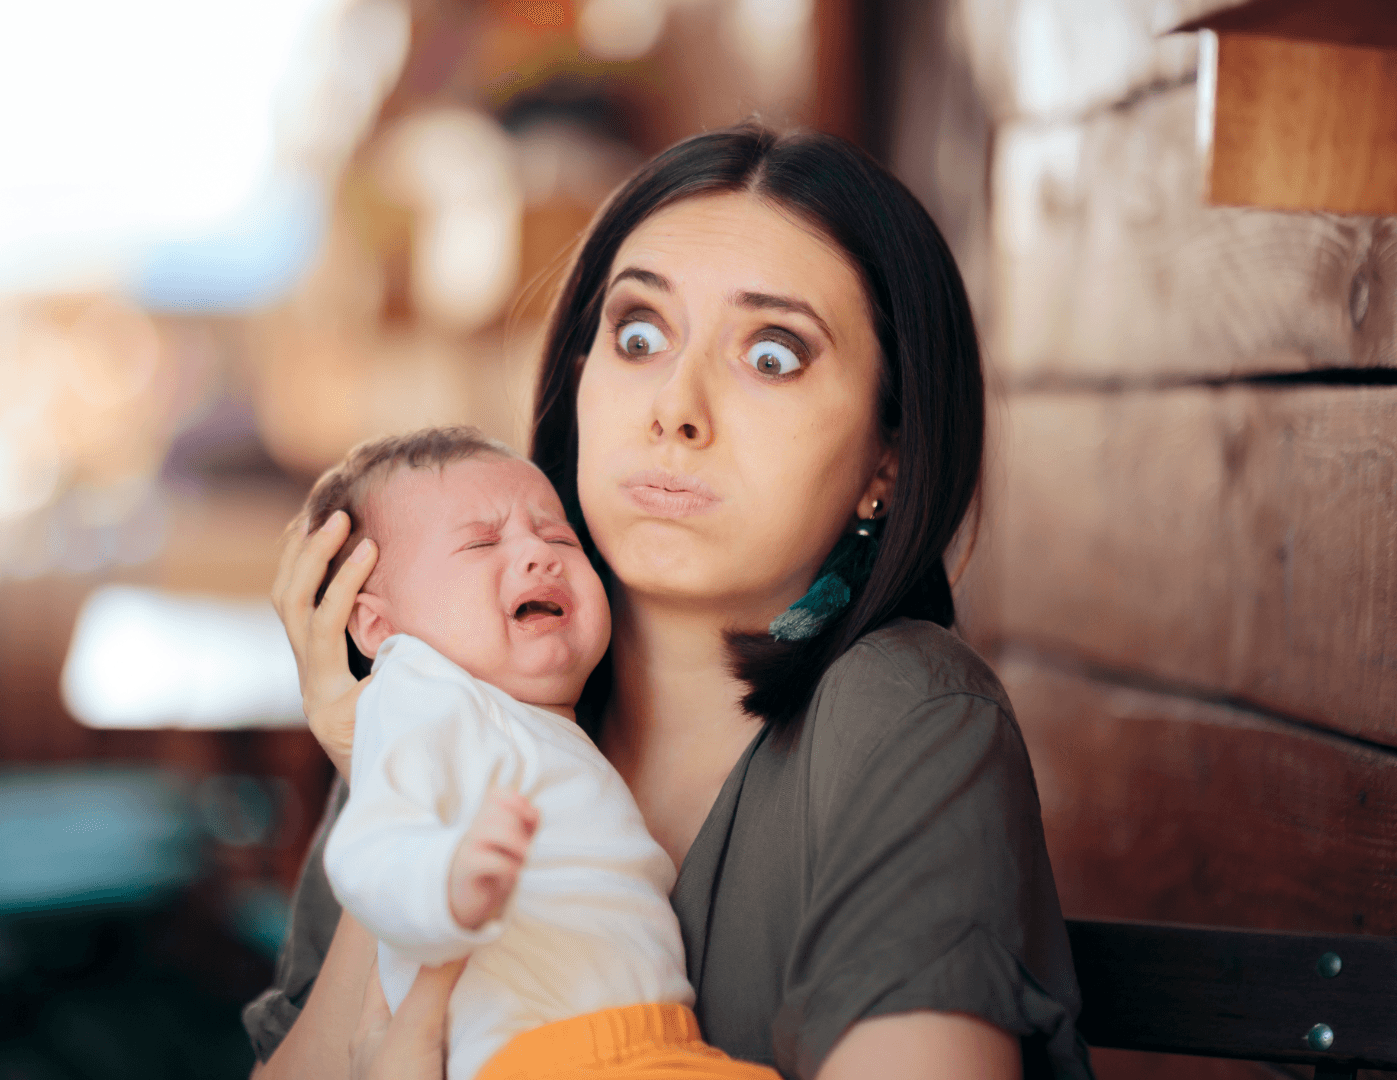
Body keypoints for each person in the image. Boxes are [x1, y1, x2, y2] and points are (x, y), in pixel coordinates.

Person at [250, 123, 1095, 1079]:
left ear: (887, 462)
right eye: (639, 336)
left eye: (772, 355)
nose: (675, 410)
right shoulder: (447, 676)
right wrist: (385, 767)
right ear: (581, 377)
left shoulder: (911, 718)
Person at [300, 426, 778, 1080]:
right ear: (380, 626)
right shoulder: (420, 688)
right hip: (541, 1057)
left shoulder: (536, 722)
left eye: (560, 538)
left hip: (659, 1042)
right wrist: (447, 881)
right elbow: (366, 847)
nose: (539, 555)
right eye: (482, 542)